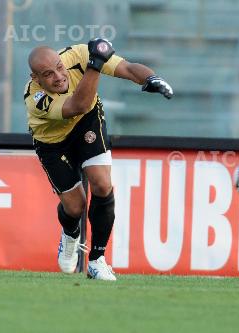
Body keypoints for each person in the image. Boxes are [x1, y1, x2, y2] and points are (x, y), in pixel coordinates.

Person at [23, 38, 173, 280]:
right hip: (52, 143)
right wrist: (95, 65)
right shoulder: (35, 98)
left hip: (87, 124)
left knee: (102, 184)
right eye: (48, 74)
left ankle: (97, 260)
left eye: (59, 68)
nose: (59, 76)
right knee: (75, 206)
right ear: (35, 78)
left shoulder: (79, 55)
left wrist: (150, 78)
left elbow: (126, 68)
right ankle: (70, 233)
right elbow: (77, 105)